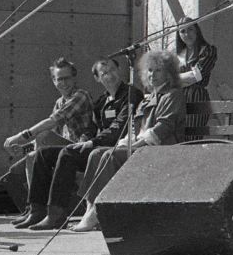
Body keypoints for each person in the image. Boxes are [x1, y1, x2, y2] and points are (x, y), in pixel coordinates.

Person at [19, 57, 143, 230]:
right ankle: (37, 209)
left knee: (68, 154)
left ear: (120, 71)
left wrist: (93, 141)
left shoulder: (130, 94)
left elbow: (119, 127)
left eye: (112, 71)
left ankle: (56, 214)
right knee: (44, 153)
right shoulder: (102, 101)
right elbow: (92, 127)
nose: (109, 76)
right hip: (98, 145)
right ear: (97, 78)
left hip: (116, 148)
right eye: (104, 73)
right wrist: (86, 138)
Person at [73, 49, 187, 231]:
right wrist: (125, 142)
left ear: (168, 73)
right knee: (96, 154)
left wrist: (135, 144)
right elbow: (133, 127)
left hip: (160, 150)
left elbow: (164, 127)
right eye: (150, 70)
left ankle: (97, 211)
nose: (153, 75)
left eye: (158, 70)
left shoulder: (172, 95)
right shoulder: (149, 98)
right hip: (141, 148)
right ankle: (91, 206)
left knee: (111, 156)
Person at [5, 57, 96, 225]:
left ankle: (43, 210)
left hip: (83, 149)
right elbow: (54, 135)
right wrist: (24, 147)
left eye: (67, 78)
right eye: (59, 79)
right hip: (66, 149)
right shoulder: (59, 102)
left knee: (43, 137)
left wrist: (21, 136)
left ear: (74, 78)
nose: (63, 83)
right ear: (53, 81)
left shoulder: (80, 95)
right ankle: (35, 209)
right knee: (29, 159)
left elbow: (52, 123)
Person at [175, 17, 218, 132]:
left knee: (192, 137)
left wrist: (173, 79)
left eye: (190, 29)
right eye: (182, 31)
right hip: (177, 100)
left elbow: (197, 76)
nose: (187, 34)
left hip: (197, 98)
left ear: (197, 30)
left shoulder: (207, 50)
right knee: (177, 138)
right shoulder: (177, 56)